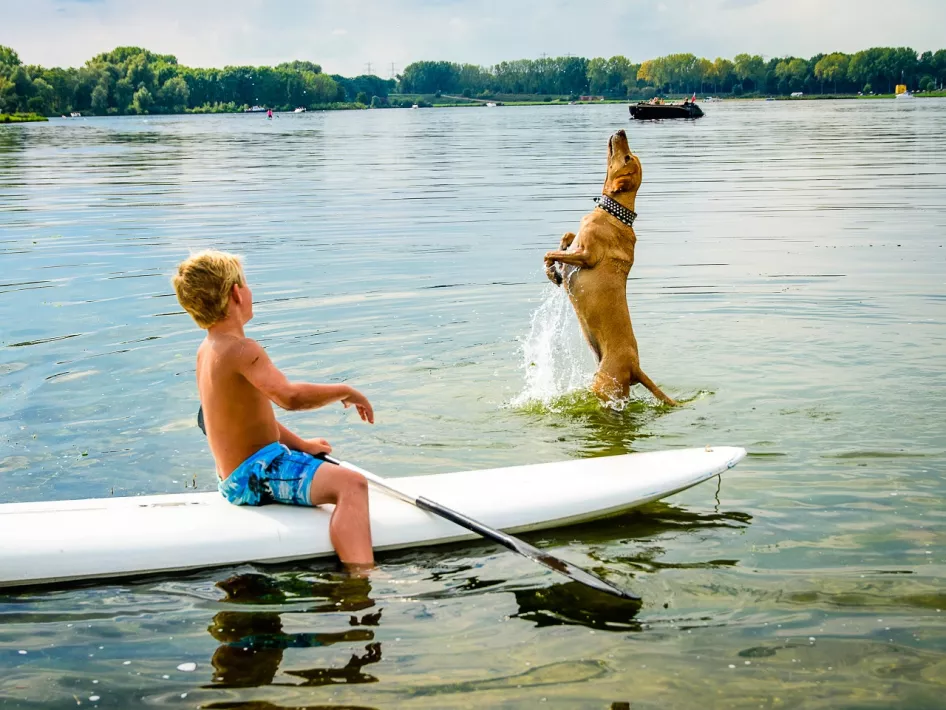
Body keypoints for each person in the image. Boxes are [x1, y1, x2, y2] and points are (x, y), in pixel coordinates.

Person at [171, 250, 375, 566]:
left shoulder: (206, 351)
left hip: (235, 477)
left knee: (336, 475)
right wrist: (345, 391)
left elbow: (247, 420)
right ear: (236, 294)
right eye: (246, 284)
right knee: (352, 484)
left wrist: (302, 446)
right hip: (259, 474)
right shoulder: (243, 350)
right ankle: (361, 576)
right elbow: (289, 397)